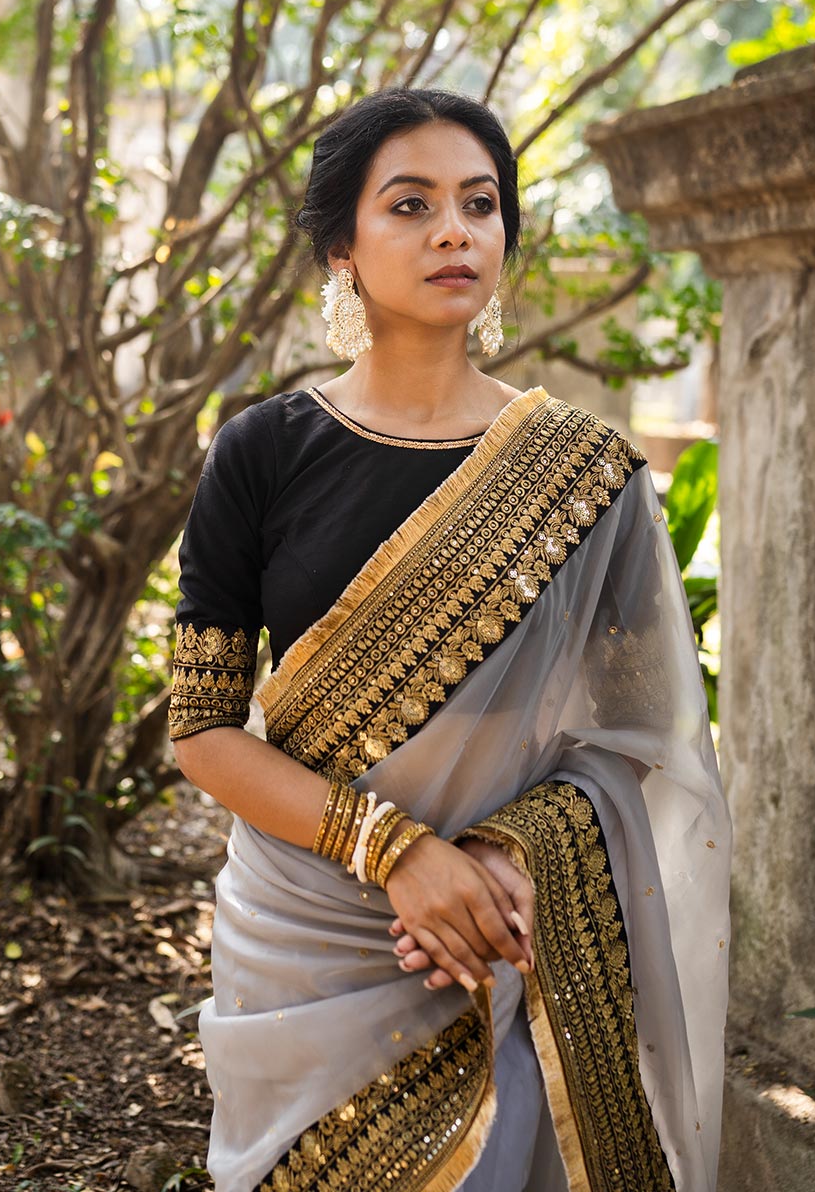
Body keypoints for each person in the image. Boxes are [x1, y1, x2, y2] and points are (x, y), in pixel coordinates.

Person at [169, 88, 731, 1192]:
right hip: (307, 944)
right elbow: (201, 730)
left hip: (497, 932)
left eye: (479, 204)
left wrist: (499, 862)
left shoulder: (582, 471)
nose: (453, 232)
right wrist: (396, 852)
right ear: (341, 245)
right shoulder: (261, 452)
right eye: (410, 204)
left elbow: (643, 732)